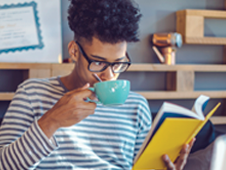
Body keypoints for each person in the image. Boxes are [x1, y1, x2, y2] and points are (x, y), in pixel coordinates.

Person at [0, 0, 194, 169]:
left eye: (118, 63)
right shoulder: (32, 94)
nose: (109, 75)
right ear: (74, 52)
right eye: (99, 62)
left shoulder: (136, 106)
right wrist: (51, 122)